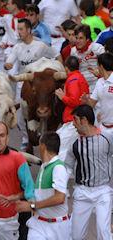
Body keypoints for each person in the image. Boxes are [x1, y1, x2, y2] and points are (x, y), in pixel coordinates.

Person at [4, 18, 59, 151]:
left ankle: (45, 139)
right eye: (18, 29)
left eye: (21, 29)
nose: (19, 32)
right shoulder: (17, 47)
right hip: (24, 85)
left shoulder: (41, 45)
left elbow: (56, 55)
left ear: (29, 30)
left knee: (46, 110)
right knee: (21, 117)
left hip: (40, 86)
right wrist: (8, 65)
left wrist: (61, 68)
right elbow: (9, 61)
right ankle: (26, 139)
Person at [65, 104, 113, 240]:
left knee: (104, 233)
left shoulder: (108, 139)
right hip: (82, 192)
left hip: (103, 191)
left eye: (75, 120)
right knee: (76, 236)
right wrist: (59, 189)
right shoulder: (74, 143)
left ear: (84, 120)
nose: (73, 124)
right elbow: (66, 168)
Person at [15, 132, 70, 240]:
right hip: (38, 224)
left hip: (58, 228)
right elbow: (40, 194)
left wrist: (32, 206)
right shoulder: (44, 167)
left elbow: (60, 198)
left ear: (43, 146)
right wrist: (14, 197)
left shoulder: (58, 168)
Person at [55, 56, 89, 163]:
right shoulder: (79, 77)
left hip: (72, 121)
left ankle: (59, 175)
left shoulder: (73, 79)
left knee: (61, 147)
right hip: (75, 120)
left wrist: (62, 97)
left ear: (66, 68)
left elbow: (74, 101)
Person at [81, 52, 113, 133]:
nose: (97, 68)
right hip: (103, 127)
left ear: (101, 66)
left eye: (97, 65)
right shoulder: (99, 82)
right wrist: (86, 100)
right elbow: (92, 104)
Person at [69, 24, 105, 92]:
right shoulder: (73, 51)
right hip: (81, 85)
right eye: (76, 38)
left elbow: (108, 66)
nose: (78, 41)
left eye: (81, 38)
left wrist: (100, 73)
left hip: (98, 83)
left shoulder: (98, 48)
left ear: (87, 39)